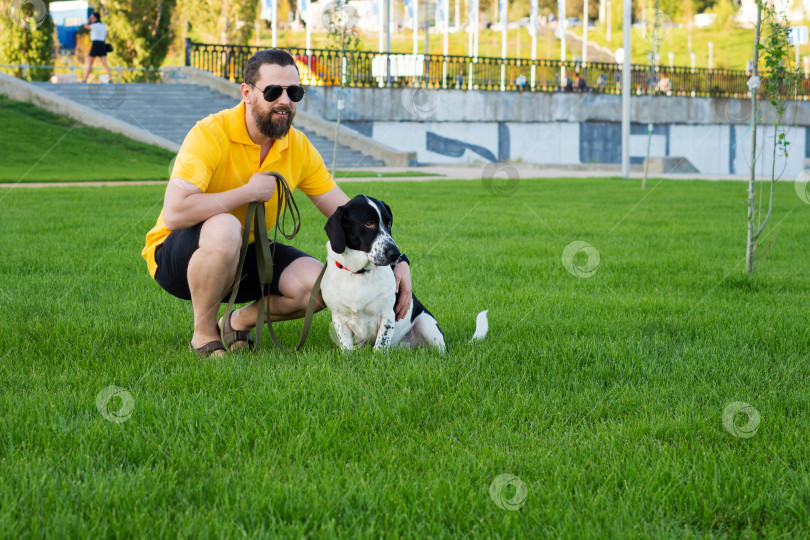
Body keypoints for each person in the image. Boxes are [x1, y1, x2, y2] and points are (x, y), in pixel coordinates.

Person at [142, 49, 412, 357]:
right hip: (179, 256)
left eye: (293, 92)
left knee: (323, 287)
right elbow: (175, 213)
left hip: (247, 253)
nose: (285, 100)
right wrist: (246, 192)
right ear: (247, 92)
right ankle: (203, 336)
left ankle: (233, 323)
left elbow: (348, 212)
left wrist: (399, 259)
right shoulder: (209, 133)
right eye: (273, 91)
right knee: (227, 226)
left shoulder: (297, 146)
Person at [81, 11, 113, 83]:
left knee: (89, 63)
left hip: (95, 44)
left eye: (92, 17)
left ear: (96, 18)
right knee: (105, 63)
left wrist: (89, 20)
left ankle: (84, 79)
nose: (92, 19)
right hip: (102, 44)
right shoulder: (103, 25)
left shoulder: (94, 26)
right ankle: (111, 79)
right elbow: (105, 35)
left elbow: (86, 26)